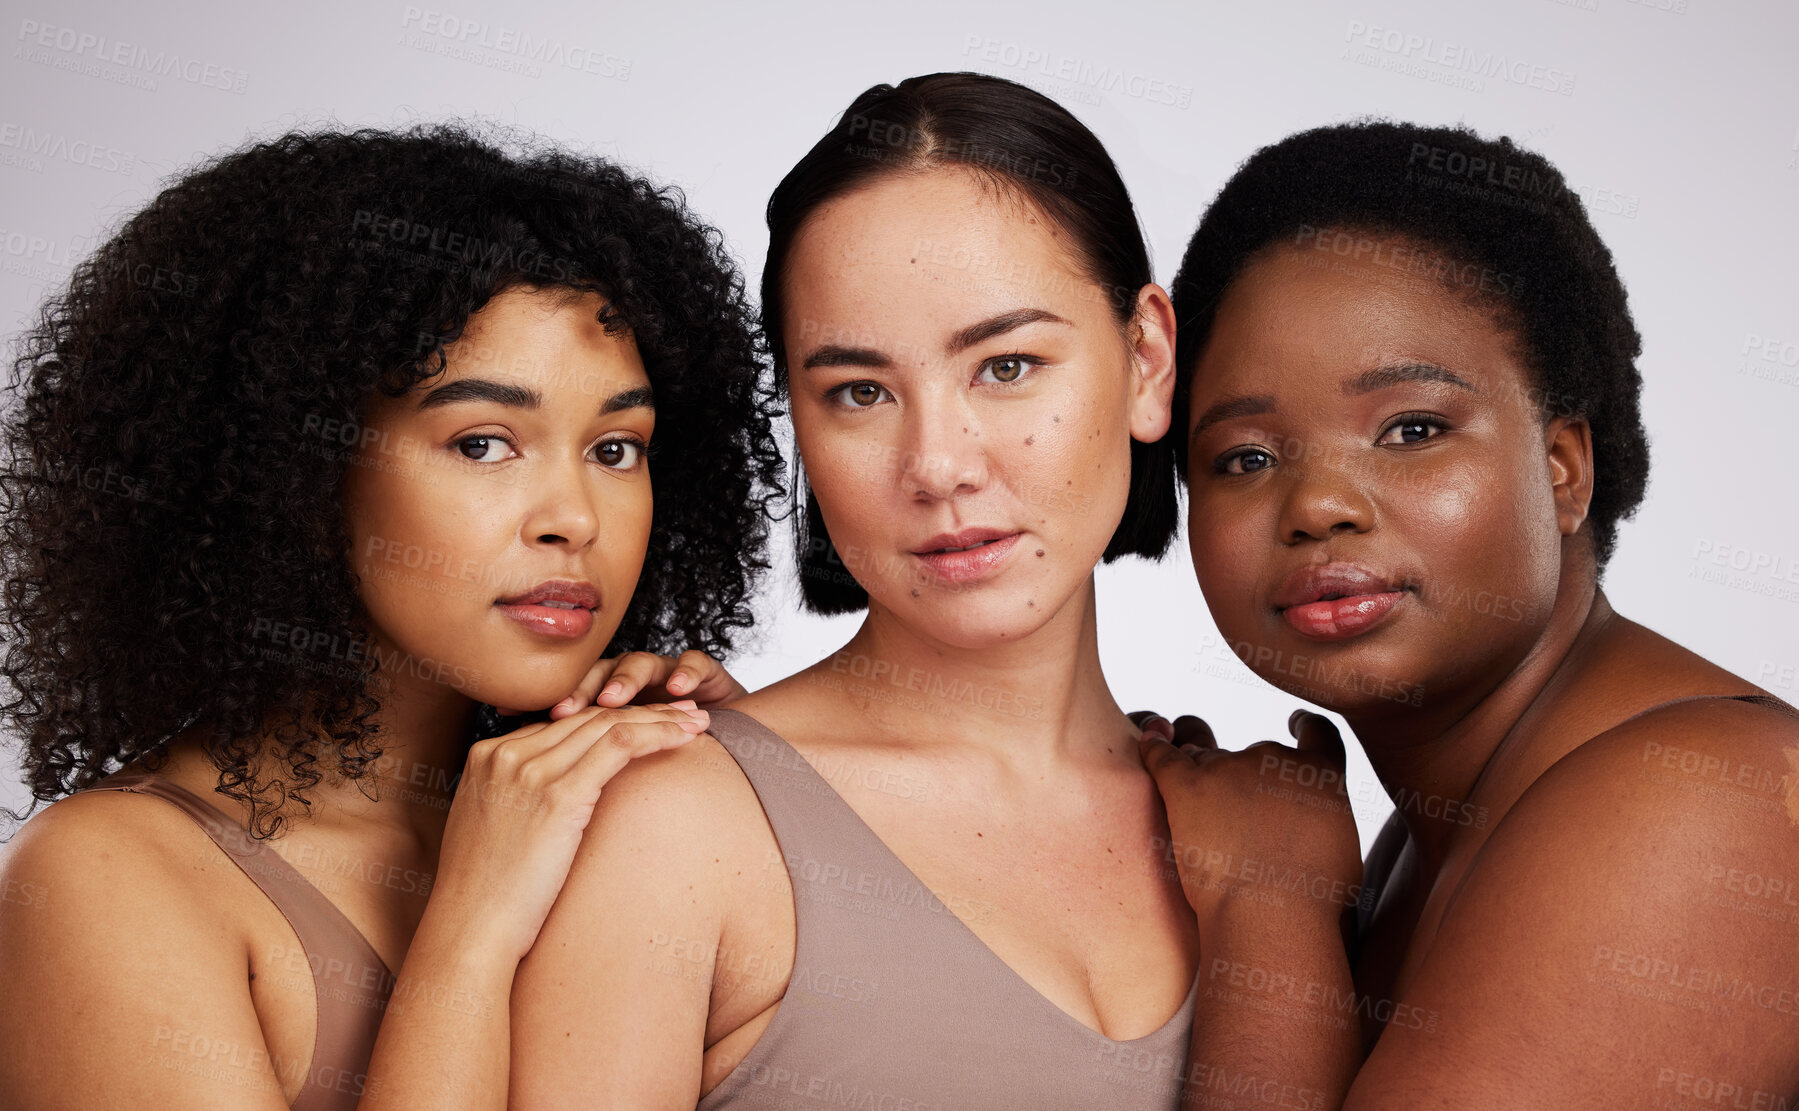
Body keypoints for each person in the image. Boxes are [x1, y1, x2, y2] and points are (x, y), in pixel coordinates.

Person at [511, 71, 1350, 1110]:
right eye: (858, 392)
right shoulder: (677, 829)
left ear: (1144, 358)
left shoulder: (1257, 830)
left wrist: (1275, 901)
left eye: (1004, 366)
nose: (937, 464)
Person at [0, 123, 782, 1110]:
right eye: (485, 443)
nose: (573, 519)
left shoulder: (600, 813)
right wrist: (471, 927)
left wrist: (752, 790)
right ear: (301, 471)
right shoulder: (109, 880)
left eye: (617, 448)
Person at [1140, 120, 1799, 1107]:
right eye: (1243, 456)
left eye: (1410, 428)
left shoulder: (1699, 803)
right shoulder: (1425, 836)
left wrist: (1265, 900)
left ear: (1561, 468)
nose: (1318, 504)